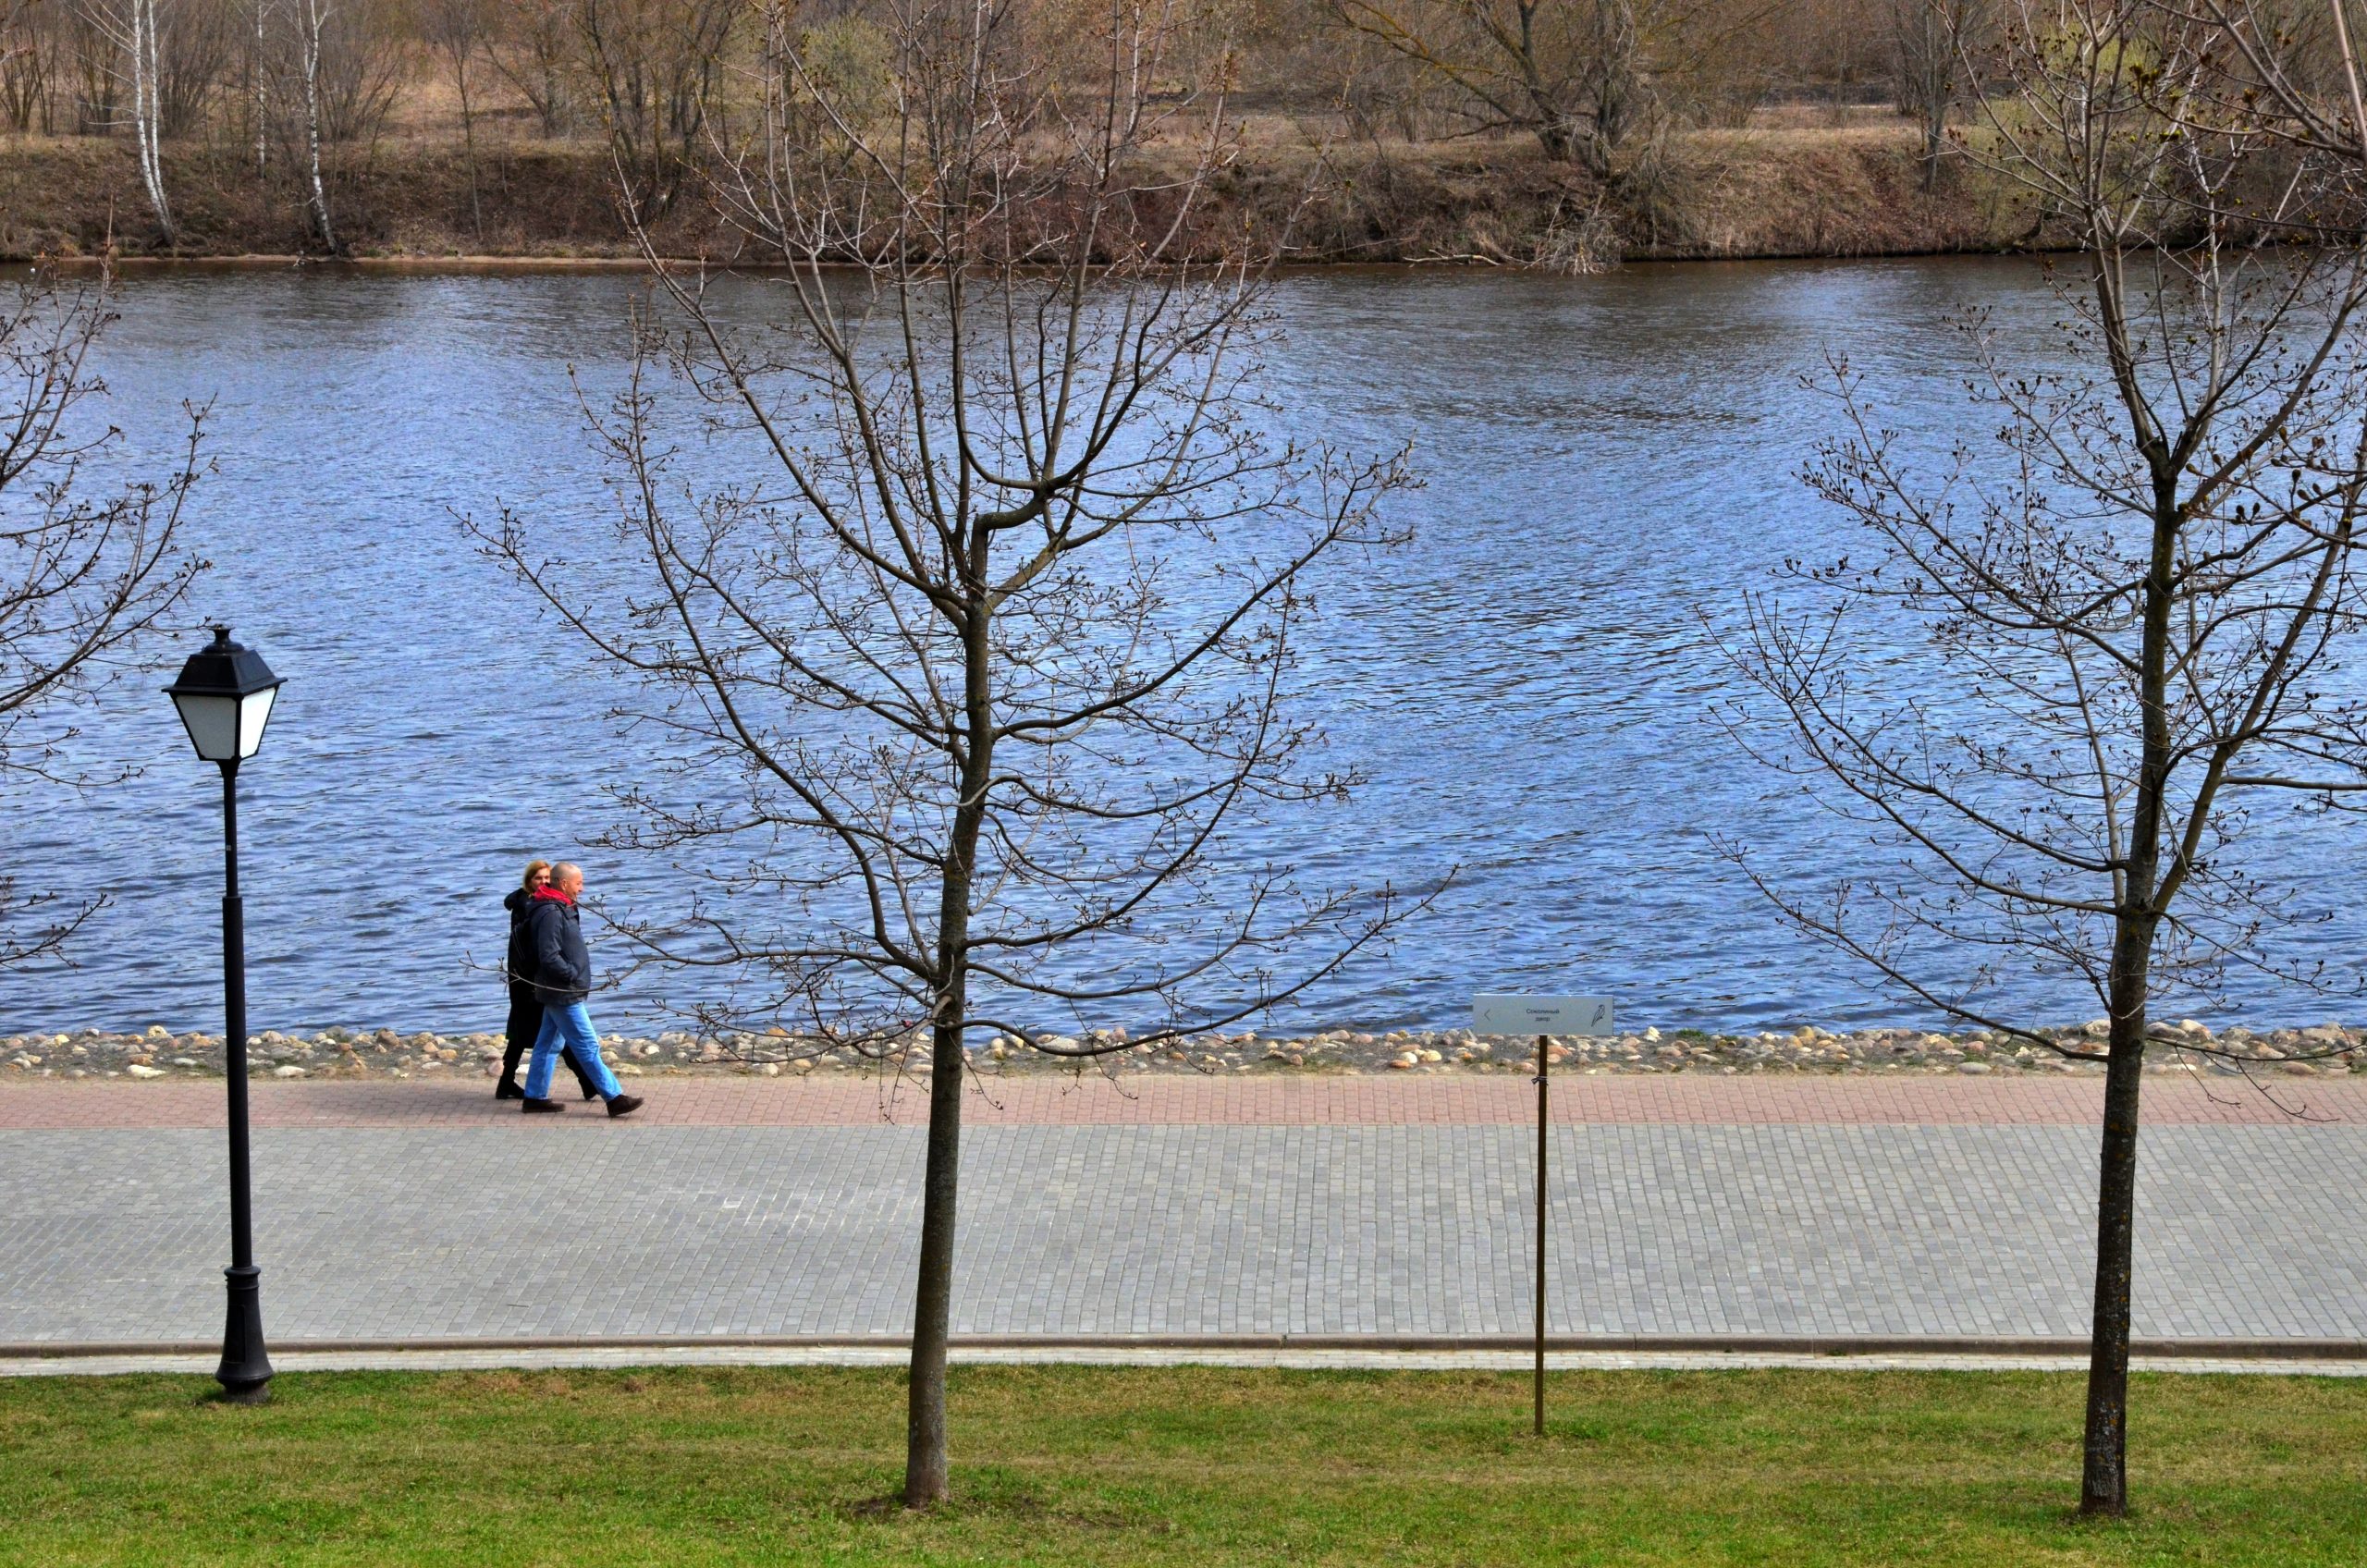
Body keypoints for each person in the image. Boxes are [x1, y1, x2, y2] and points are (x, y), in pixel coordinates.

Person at [520, 862, 644, 1119]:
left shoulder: (556, 907)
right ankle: (614, 1097)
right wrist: (572, 974)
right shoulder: (552, 912)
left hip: (558, 989)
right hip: (563, 991)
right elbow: (549, 955)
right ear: (563, 884)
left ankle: (534, 1097)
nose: (582, 889)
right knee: (586, 1044)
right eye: (579, 884)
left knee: (548, 1044)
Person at [496, 860, 601, 1102]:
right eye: (538, 878)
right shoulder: (530, 908)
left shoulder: (551, 905)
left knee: (532, 1033)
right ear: (528, 881)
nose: (543, 882)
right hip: (531, 980)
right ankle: (588, 1082)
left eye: (546, 878)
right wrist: (565, 973)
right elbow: (535, 950)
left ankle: (507, 1082)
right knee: (550, 1033)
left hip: (539, 978)